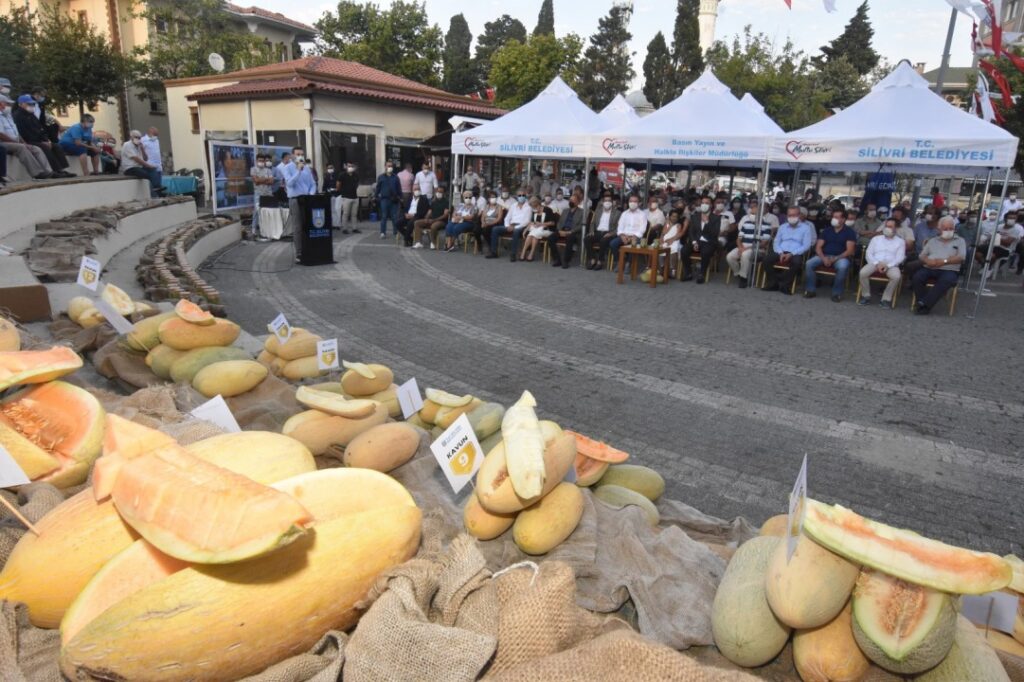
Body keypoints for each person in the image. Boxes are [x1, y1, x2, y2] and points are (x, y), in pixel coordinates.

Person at [911, 217, 966, 315]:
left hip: (949, 269)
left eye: (951, 228)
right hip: (930, 266)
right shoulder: (932, 241)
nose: (948, 231)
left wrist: (944, 261)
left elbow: (961, 257)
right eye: (945, 229)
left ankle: (923, 303)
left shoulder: (960, 241)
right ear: (939, 229)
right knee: (917, 277)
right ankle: (923, 303)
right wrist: (927, 260)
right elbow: (922, 255)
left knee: (947, 280)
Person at [803, 208, 857, 301]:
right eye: (833, 217)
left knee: (843, 267)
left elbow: (849, 250)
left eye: (836, 217)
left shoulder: (850, 232)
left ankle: (836, 293)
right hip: (824, 255)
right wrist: (824, 258)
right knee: (809, 263)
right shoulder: (827, 230)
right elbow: (818, 247)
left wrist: (835, 259)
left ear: (843, 219)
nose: (833, 219)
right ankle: (810, 290)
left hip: (841, 257)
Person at [11, 96, 70, 176]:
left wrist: (46, 139)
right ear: (21, 104)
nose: (31, 105)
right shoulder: (18, 116)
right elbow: (23, 132)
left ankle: (61, 169)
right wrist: (42, 141)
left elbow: (41, 128)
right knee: (44, 147)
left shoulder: (31, 115)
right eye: (29, 104)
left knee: (56, 146)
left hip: (39, 139)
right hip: (29, 140)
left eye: (33, 104)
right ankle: (54, 171)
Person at [763, 206, 815, 294]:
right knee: (766, 260)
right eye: (789, 215)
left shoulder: (806, 228)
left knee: (797, 263)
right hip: (781, 250)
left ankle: (784, 285)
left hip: (796, 252)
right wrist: (780, 253)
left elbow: (806, 245)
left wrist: (792, 254)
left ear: (799, 215)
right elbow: (776, 242)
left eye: (794, 215)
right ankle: (773, 283)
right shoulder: (782, 227)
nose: (791, 217)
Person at [0, 95, 53, 179]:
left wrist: (24, 142)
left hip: (15, 141)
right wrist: (18, 143)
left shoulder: (8, 116)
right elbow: (1, 135)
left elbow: (16, 133)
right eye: (7, 104)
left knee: (36, 149)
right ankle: (37, 173)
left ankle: (48, 172)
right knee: (22, 148)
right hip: (4, 143)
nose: (9, 106)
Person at [857, 218, 906, 308]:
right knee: (863, 273)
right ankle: (866, 296)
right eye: (886, 226)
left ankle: (886, 299)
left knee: (896, 276)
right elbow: (869, 253)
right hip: (875, 262)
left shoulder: (900, 242)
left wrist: (888, 265)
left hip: (891, 264)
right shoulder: (876, 239)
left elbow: (900, 257)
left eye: (890, 227)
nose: (887, 228)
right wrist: (877, 263)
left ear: (896, 228)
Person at [727, 204, 776, 288]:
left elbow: (764, 243)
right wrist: (740, 247)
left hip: (758, 250)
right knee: (729, 256)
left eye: (754, 214)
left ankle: (743, 278)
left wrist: (747, 248)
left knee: (745, 254)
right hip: (743, 247)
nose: (752, 216)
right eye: (751, 213)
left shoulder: (767, 226)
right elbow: (739, 239)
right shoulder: (746, 223)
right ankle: (739, 273)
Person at [283, 148, 317, 263]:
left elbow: (313, 184)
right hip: (295, 200)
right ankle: (299, 252)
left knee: (308, 225)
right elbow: (290, 183)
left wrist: (311, 194)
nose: (300, 157)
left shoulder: (307, 168)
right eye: (298, 154)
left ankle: (310, 248)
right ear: (292, 156)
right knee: (298, 227)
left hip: (307, 199)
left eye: (302, 154)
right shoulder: (287, 168)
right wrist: (298, 171)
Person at [680, 196, 719, 283]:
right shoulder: (695, 216)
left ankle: (701, 274)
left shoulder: (716, 218)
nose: (704, 205)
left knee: (705, 252)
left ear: (711, 205)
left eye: (707, 203)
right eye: (703, 203)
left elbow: (715, 233)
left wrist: (707, 222)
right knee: (684, 250)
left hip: (709, 242)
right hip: (696, 241)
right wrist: (694, 242)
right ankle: (688, 273)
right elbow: (691, 231)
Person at [487, 190, 532, 260]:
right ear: (517, 197)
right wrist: (507, 226)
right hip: (510, 225)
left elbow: (526, 221)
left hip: (521, 226)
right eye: (519, 195)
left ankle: (513, 254)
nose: (521, 197)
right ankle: (494, 252)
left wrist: (514, 227)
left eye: (523, 195)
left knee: (516, 231)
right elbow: (507, 218)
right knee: (495, 229)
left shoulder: (528, 207)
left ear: (525, 197)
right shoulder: (513, 206)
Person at [608, 195, 648, 270]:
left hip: (635, 237)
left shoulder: (642, 214)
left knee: (633, 244)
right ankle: (619, 261)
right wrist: (622, 236)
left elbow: (643, 228)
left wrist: (633, 237)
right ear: (628, 202)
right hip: (624, 236)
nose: (632, 203)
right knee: (613, 243)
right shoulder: (624, 213)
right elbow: (620, 226)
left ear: (639, 203)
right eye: (631, 201)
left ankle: (628, 263)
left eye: (635, 201)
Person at [583, 192, 621, 269]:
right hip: (598, 232)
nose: (607, 202)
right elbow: (592, 223)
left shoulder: (617, 213)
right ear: (602, 202)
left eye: (609, 201)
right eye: (605, 201)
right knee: (586, 239)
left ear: (612, 202)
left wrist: (611, 234)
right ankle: (593, 259)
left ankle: (600, 261)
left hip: (609, 233)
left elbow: (619, 227)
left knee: (603, 240)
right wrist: (591, 231)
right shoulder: (598, 211)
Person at [120, 130, 162, 197]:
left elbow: (145, 159)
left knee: (153, 170)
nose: (138, 139)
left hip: (138, 167)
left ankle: (156, 188)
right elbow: (136, 159)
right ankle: (152, 194)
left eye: (139, 138)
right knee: (146, 174)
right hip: (130, 168)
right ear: (131, 137)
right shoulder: (127, 145)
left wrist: (142, 149)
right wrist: (148, 165)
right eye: (136, 137)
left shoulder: (139, 146)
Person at [547, 195, 583, 268]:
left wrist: (570, 232)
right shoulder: (565, 211)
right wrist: (560, 230)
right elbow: (559, 222)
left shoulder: (582, 212)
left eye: (573, 200)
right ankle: (557, 259)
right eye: (570, 200)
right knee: (550, 238)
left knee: (570, 239)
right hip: (562, 230)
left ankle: (566, 261)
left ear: (578, 202)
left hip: (573, 232)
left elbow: (581, 225)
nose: (571, 201)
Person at [519, 196, 556, 261]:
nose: (534, 208)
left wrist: (541, 224)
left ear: (537, 204)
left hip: (547, 230)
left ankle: (524, 252)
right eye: (533, 207)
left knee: (533, 234)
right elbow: (532, 222)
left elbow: (552, 223)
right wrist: (526, 229)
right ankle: (530, 254)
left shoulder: (548, 210)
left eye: (534, 206)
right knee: (534, 235)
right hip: (537, 231)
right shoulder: (534, 211)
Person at [375, 162, 401, 239]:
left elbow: (399, 189)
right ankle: (383, 232)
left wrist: (401, 197)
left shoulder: (396, 177)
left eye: (391, 166)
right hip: (384, 199)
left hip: (394, 200)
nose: (390, 167)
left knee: (395, 217)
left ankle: (395, 232)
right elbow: (378, 188)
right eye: (388, 166)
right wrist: (376, 196)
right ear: (385, 167)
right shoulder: (381, 177)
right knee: (384, 216)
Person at [250, 154, 275, 236]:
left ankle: (266, 230)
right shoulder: (253, 169)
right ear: (256, 161)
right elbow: (256, 181)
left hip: (268, 193)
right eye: (259, 160)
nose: (261, 162)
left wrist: (261, 179)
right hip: (258, 193)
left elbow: (271, 182)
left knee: (269, 211)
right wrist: (266, 179)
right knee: (257, 211)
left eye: (262, 161)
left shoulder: (268, 170)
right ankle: (254, 229)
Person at [337, 163, 361, 234]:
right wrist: (341, 191)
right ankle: (345, 228)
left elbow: (357, 183)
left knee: (354, 214)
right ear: (346, 167)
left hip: (355, 197)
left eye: (352, 166)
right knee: (345, 213)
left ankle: (354, 228)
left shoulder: (355, 175)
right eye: (349, 166)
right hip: (346, 197)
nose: (351, 167)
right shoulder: (342, 175)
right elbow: (338, 184)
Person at [660, 209, 684, 278]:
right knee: (660, 247)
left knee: (673, 248)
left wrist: (671, 240)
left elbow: (678, 234)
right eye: (672, 216)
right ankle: (661, 267)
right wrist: (661, 239)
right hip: (665, 240)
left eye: (676, 217)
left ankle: (672, 269)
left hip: (675, 240)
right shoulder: (667, 224)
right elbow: (663, 233)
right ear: (669, 217)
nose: (674, 218)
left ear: (678, 218)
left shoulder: (678, 225)